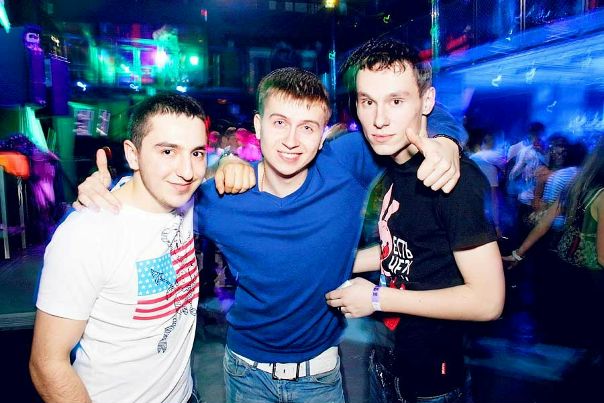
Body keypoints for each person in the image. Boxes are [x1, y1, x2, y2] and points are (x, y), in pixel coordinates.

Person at [74, 67, 466, 403]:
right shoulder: (221, 198)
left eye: (307, 127)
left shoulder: (345, 165)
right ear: (258, 126)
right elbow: (158, 194)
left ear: (322, 134)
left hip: (320, 376)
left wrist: (446, 142)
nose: (292, 141)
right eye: (279, 123)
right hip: (246, 373)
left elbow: (409, 115)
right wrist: (110, 191)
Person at [325, 38, 505, 403]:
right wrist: (341, 262)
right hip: (388, 361)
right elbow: (402, 248)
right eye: (368, 102)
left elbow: (488, 301)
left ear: (426, 101)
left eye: (396, 101)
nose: (379, 119)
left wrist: (377, 297)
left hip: (432, 382)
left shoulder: (452, 179)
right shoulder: (396, 165)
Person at [30, 94, 212, 403]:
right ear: (133, 154)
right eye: (168, 151)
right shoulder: (88, 234)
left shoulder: (185, 200)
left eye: (197, 153)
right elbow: (47, 365)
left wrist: (232, 163)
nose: (187, 170)